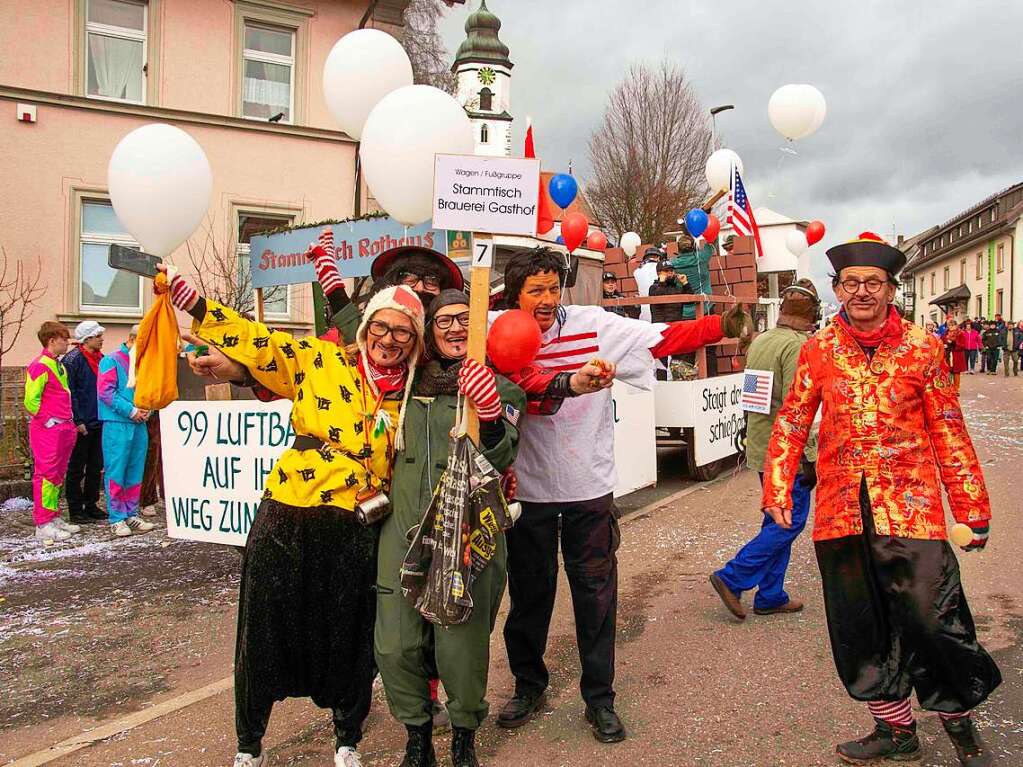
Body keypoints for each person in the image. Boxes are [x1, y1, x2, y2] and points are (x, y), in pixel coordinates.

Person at [168, 264, 427, 767]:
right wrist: (197, 306)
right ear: (366, 326)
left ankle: (347, 738)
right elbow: (262, 344)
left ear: (413, 340)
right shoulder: (324, 358)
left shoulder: (414, 393)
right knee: (264, 629)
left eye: (402, 331)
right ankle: (249, 744)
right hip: (288, 512)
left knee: (349, 633)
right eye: (381, 326)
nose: (388, 340)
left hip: (355, 525)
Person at [493, 247, 753, 743]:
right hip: (527, 488)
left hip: (589, 485)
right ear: (514, 294)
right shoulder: (496, 327)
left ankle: (599, 700)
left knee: (595, 596)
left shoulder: (592, 323)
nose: (547, 300)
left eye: (553, 289)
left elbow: (662, 339)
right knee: (530, 595)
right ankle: (528, 686)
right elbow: (499, 372)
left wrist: (720, 326)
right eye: (536, 291)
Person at [762, 232, 1000, 767]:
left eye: (873, 283)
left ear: (891, 290)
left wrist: (971, 509)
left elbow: (948, 429)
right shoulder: (818, 349)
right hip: (842, 511)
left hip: (911, 509)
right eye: (851, 284)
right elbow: (794, 419)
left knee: (934, 619)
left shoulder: (923, 347)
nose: (862, 292)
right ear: (838, 290)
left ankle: (961, 727)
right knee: (860, 624)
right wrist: (777, 485)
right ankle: (895, 732)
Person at [376, 290, 526, 767]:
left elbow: (503, 457)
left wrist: (490, 415)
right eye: (444, 320)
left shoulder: (501, 388)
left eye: (466, 317)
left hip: (466, 533)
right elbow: (371, 333)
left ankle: (464, 736)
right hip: (400, 532)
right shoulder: (400, 383)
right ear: (430, 330)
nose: (456, 328)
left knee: (460, 645)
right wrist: (332, 285)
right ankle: (417, 737)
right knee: (396, 645)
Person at [710, 280, 819, 620]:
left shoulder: (761, 342)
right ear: (811, 314)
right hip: (787, 452)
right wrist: (809, 456)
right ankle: (734, 577)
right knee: (790, 521)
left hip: (761, 443)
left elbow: (754, 397)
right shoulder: (800, 347)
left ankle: (771, 594)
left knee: (776, 520)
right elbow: (796, 408)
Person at [24, 321, 80, 543]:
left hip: (63, 426)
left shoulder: (58, 365)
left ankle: (53, 515)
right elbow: (31, 400)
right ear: (51, 341)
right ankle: (43, 522)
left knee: (56, 475)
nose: (66, 342)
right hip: (49, 429)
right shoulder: (39, 366)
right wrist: (49, 421)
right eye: (63, 339)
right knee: (46, 475)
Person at [98, 325, 156, 538]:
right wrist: (132, 411)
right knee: (117, 469)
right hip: (117, 423)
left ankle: (130, 512)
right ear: (133, 339)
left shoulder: (141, 364)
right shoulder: (110, 360)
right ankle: (116, 517)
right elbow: (105, 392)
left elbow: (149, 389)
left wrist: (148, 408)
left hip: (138, 423)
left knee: (134, 469)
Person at [63, 321, 107, 524]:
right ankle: (75, 508)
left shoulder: (101, 359)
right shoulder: (73, 360)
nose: (102, 338)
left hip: (98, 419)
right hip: (82, 422)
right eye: (98, 335)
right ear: (87, 338)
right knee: (77, 467)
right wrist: (77, 419)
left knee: (95, 465)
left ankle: (91, 504)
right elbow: (70, 393)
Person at [670, 235, 714, 320]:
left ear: (678, 248)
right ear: (694, 247)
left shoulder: (672, 263)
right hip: (704, 308)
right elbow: (712, 240)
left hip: (683, 312)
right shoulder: (702, 257)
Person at [647, 259, 692, 324]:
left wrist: (685, 283)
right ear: (658, 273)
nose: (670, 272)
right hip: (660, 327)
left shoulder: (677, 288)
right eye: (666, 271)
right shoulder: (653, 287)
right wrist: (661, 283)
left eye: (671, 270)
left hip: (676, 326)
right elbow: (659, 298)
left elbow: (690, 301)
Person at [632, 246, 662, 322]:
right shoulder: (661, 270)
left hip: (644, 314)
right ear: (658, 257)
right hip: (660, 312)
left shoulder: (637, 271)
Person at [945, 318, 968, 391]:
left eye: (952, 325)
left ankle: (956, 388)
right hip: (948, 354)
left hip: (957, 355)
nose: (951, 327)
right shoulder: (946, 333)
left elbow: (963, 345)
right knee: (947, 371)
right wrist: (945, 345)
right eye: (949, 325)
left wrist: (954, 343)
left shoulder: (960, 333)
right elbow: (942, 341)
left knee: (956, 372)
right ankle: (948, 388)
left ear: (956, 325)